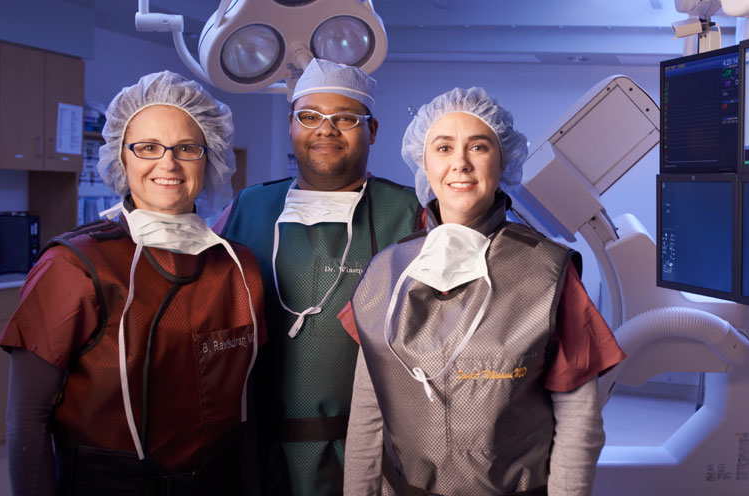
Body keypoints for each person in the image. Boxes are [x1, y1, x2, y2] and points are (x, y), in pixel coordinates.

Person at [341, 87, 627, 496]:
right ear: (424, 162)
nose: (460, 163)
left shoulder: (547, 273)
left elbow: (579, 422)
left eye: (478, 146)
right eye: (443, 147)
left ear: (502, 159)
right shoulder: (385, 274)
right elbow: (368, 415)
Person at [0, 71, 266, 496]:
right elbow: (28, 417)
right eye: (147, 148)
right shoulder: (74, 267)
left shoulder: (239, 267)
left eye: (186, 148)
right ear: (122, 158)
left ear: (210, 156)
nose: (168, 163)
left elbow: (248, 405)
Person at [216, 58, 423, 495]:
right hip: (254, 450)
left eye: (345, 118)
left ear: (373, 130)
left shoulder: (409, 216)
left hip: (367, 455)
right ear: (291, 125)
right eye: (309, 117)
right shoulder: (245, 210)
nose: (325, 130)